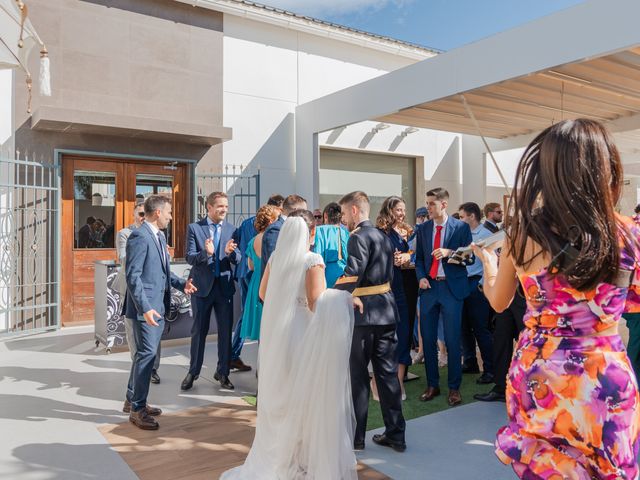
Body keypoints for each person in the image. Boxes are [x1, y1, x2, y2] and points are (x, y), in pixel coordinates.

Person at [473, 119, 639, 479]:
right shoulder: (628, 233)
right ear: (606, 168)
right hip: (604, 378)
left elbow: (499, 302)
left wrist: (488, 266)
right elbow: (633, 300)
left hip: (539, 376)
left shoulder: (521, 236)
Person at [221, 212, 361, 479]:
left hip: (280, 335)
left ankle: (278, 456)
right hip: (303, 335)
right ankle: (300, 460)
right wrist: (344, 298)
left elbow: (263, 294)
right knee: (304, 396)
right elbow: (316, 302)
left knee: (282, 394)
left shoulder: (275, 258)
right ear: (311, 233)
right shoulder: (313, 260)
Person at [337, 190, 406, 452]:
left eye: (344, 213)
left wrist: (330, 294)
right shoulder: (383, 235)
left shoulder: (358, 237)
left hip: (364, 315)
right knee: (388, 375)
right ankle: (396, 435)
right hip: (387, 311)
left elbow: (352, 273)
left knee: (359, 378)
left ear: (355, 210)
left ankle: (357, 438)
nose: (343, 219)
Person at [123, 195, 196, 430]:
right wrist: (145, 309)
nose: (171, 216)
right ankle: (137, 409)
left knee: (144, 355)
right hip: (147, 309)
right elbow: (133, 276)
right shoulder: (139, 236)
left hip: (156, 306)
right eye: (169, 212)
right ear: (157, 214)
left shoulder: (159, 236)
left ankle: (131, 399)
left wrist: (181, 284)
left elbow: (162, 273)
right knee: (146, 356)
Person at [415, 187, 473, 407]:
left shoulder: (461, 228)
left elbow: (469, 259)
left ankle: (454, 388)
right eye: (427, 203)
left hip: (452, 288)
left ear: (443, 204)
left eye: (431, 203)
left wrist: (450, 253)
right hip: (429, 289)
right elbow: (419, 259)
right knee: (428, 340)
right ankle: (432, 385)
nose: (428, 207)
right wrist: (421, 277)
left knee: (452, 339)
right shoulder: (423, 229)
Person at [181, 192, 240, 391]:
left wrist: (233, 255)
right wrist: (205, 253)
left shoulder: (233, 230)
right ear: (209, 207)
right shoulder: (195, 229)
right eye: (220, 206)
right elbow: (189, 257)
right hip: (202, 288)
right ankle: (193, 371)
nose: (224, 210)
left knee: (225, 333)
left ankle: (223, 372)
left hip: (224, 289)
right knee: (199, 331)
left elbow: (238, 258)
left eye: (226, 206)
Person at [229, 194, 285, 372]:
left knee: (249, 314)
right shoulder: (276, 231)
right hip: (265, 278)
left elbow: (245, 255)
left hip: (249, 276)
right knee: (266, 320)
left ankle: (234, 353)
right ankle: (266, 367)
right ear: (276, 210)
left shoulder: (247, 225)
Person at [115, 202, 162, 386]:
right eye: (140, 213)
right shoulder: (125, 234)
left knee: (153, 331)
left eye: (145, 213)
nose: (143, 216)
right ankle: (139, 370)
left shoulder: (157, 235)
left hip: (150, 290)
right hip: (131, 290)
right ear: (134, 215)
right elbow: (125, 261)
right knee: (134, 334)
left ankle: (153, 369)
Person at [376, 196, 414, 400]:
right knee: (387, 337)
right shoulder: (379, 232)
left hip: (402, 288)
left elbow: (410, 255)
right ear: (389, 210)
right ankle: (386, 381)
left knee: (404, 333)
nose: (402, 213)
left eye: (403, 210)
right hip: (384, 289)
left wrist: (407, 257)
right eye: (399, 210)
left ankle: (399, 381)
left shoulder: (404, 231)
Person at [458, 202, 494, 385]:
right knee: (464, 326)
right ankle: (470, 361)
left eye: (462, 216)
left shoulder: (486, 235)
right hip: (463, 282)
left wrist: (482, 285)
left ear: (472, 216)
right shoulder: (461, 234)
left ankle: (490, 369)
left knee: (481, 328)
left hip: (477, 283)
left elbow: (493, 262)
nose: (460, 219)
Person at [240, 204, 280, 341]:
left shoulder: (252, 241)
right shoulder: (274, 238)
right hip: (268, 279)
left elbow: (250, 266)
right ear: (271, 221)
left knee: (259, 323)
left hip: (256, 281)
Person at [261, 194, 308, 277]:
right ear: (296, 210)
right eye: (304, 211)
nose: (306, 215)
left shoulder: (290, 226)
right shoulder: (276, 229)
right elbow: (274, 261)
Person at [313, 202, 349, 287]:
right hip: (344, 276)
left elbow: (317, 255)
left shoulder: (319, 231)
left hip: (325, 277)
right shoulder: (346, 233)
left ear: (325, 216)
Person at [628, 205, 640, 384]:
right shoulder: (633, 229)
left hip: (630, 300)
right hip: (635, 300)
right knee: (637, 345)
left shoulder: (629, 226)